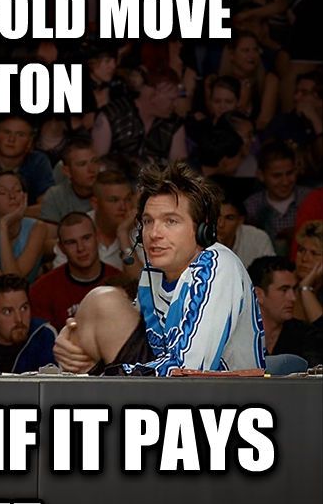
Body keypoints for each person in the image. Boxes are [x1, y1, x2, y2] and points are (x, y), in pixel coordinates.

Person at [54, 161, 265, 376]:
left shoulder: (217, 265)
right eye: (148, 221)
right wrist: (72, 339)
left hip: (215, 391)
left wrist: (102, 375)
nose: (154, 233)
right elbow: (117, 328)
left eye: (170, 221)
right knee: (101, 301)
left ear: (202, 228)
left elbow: (186, 371)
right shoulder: (153, 271)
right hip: (160, 384)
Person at [30, 212, 121, 330]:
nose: (80, 248)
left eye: (86, 238)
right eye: (71, 242)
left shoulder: (119, 283)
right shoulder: (41, 291)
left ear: (97, 237)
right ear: (61, 248)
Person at [92, 67, 187, 161]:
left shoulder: (173, 124)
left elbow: (179, 166)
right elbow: (97, 162)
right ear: (152, 94)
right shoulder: (112, 115)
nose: (176, 104)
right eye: (171, 99)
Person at [0, 170, 47, 283]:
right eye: (3, 192)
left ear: (25, 197)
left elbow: (13, 281)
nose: (12, 196)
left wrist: (3, 225)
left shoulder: (37, 228)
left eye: (17, 190)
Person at [248, 256, 322, 367]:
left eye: (294, 289)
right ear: (259, 295)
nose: (293, 298)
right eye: (284, 290)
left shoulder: (304, 335)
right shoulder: (239, 337)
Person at [243, 141, 311, 254]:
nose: (285, 182)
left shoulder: (310, 199)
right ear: (261, 175)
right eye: (277, 176)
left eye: (289, 173)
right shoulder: (251, 207)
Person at [0, 115, 55, 207]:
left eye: (20, 135)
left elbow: (48, 206)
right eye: (6, 132)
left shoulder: (38, 161)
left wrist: (14, 213)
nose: (11, 139)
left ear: (30, 141)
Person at [216, 193, 275, 268]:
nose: (221, 224)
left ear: (240, 220)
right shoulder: (201, 239)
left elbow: (271, 271)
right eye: (217, 216)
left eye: (229, 218)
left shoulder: (258, 238)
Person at [293, 220, 323, 324]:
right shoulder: (284, 285)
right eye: (301, 250)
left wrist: (305, 288)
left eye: (314, 253)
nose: (304, 259)